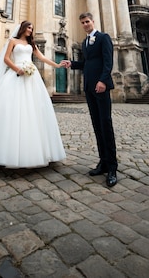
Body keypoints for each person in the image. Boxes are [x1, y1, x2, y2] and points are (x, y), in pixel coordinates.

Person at [0, 21, 66, 168]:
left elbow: (42, 58)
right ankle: (0, 151)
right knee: (9, 108)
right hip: (15, 75)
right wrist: (17, 69)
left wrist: (58, 65)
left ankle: (34, 150)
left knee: (33, 110)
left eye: (32, 28)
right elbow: (6, 58)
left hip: (31, 78)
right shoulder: (12, 41)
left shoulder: (32, 44)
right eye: (29, 27)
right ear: (23, 28)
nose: (31, 30)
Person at [63, 12, 118, 188]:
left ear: (93, 22)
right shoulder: (85, 42)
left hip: (101, 86)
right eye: (83, 23)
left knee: (105, 124)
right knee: (96, 125)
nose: (86, 24)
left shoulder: (103, 38)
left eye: (87, 21)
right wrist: (72, 63)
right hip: (89, 88)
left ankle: (112, 167)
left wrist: (103, 80)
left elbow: (108, 62)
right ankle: (102, 162)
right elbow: (87, 63)